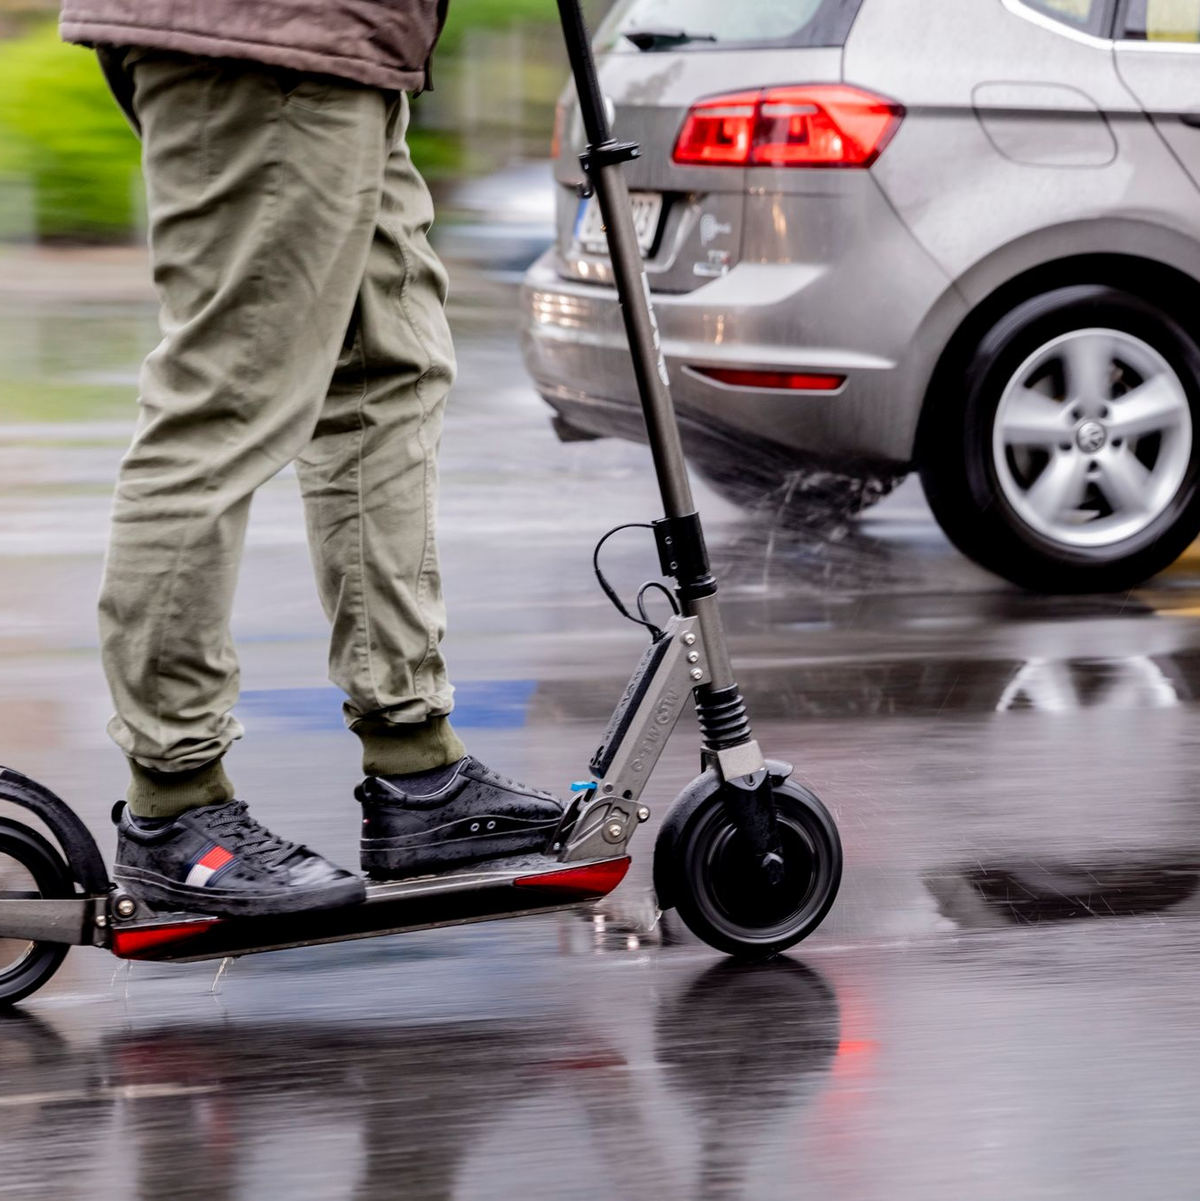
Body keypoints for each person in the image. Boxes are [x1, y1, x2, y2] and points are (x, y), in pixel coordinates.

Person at [58, 0, 564, 919]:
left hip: (355, 41)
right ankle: (175, 804)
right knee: (227, 399)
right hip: (267, 31)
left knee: (388, 373)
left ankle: (418, 770)